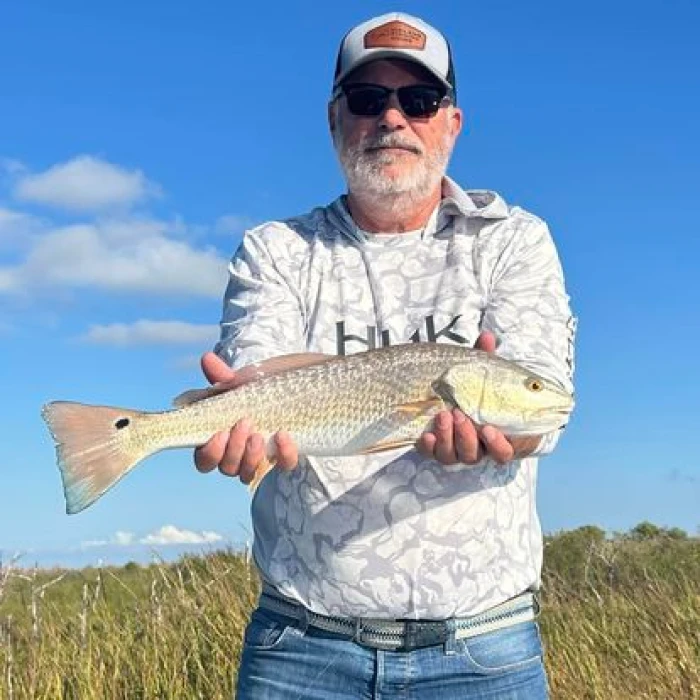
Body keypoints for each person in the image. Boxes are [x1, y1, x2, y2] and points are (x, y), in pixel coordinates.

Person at [194, 11, 576, 699]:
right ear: (335, 119)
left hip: (485, 650)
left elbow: (542, 409)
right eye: (368, 100)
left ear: (452, 123)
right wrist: (231, 422)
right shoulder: (275, 249)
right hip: (300, 648)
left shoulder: (513, 239)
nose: (393, 118)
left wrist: (509, 430)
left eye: (419, 100)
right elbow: (255, 369)